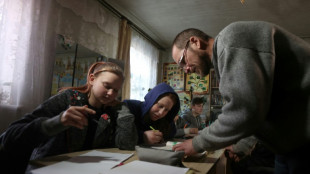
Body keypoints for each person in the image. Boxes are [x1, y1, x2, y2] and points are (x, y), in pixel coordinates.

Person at [170, 21, 310, 174]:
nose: (186, 70)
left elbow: (244, 111)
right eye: (181, 67)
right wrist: (242, 146)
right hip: (290, 145)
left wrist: (196, 143)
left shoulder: (231, 39)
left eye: (183, 60)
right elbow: (260, 111)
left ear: (195, 42)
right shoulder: (224, 59)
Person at [0, 62, 138, 174]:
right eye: (107, 86)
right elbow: (11, 136)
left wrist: (123, 107)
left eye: (116, 90)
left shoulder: (112, 112)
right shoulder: (68, 99)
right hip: (47, 169)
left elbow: (126, 145)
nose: (111, 93)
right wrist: (58, 121)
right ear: (91, 79)